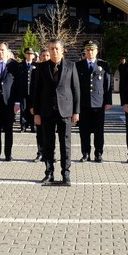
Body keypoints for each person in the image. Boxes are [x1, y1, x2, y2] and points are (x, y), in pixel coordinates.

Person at [30, 39, 80, 186]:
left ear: (62, 50)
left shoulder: (71, 66)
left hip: (65, 111)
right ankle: (49, 173)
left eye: (57, 49)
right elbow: (36, 91)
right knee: (48, 144)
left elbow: (76, 90)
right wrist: (37, 113)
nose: (54, 51)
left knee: (65, 144)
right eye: (51, 49)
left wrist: (76, 111)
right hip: (46, 112)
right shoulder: (41, 67)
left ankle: (66, 174)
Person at [75, 41, 112, 161]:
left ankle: (98, 153)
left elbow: (107, 84)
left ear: (97, 51)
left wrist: (108, 101)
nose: (90, 52)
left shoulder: (103, 65)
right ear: (85, 51)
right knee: (84, 131)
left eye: (92, 50)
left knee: (98, 131)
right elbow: (75, 86)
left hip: (99, 103)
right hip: (83, 103)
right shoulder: (78, 65)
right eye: (88, 50)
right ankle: (85, 153)